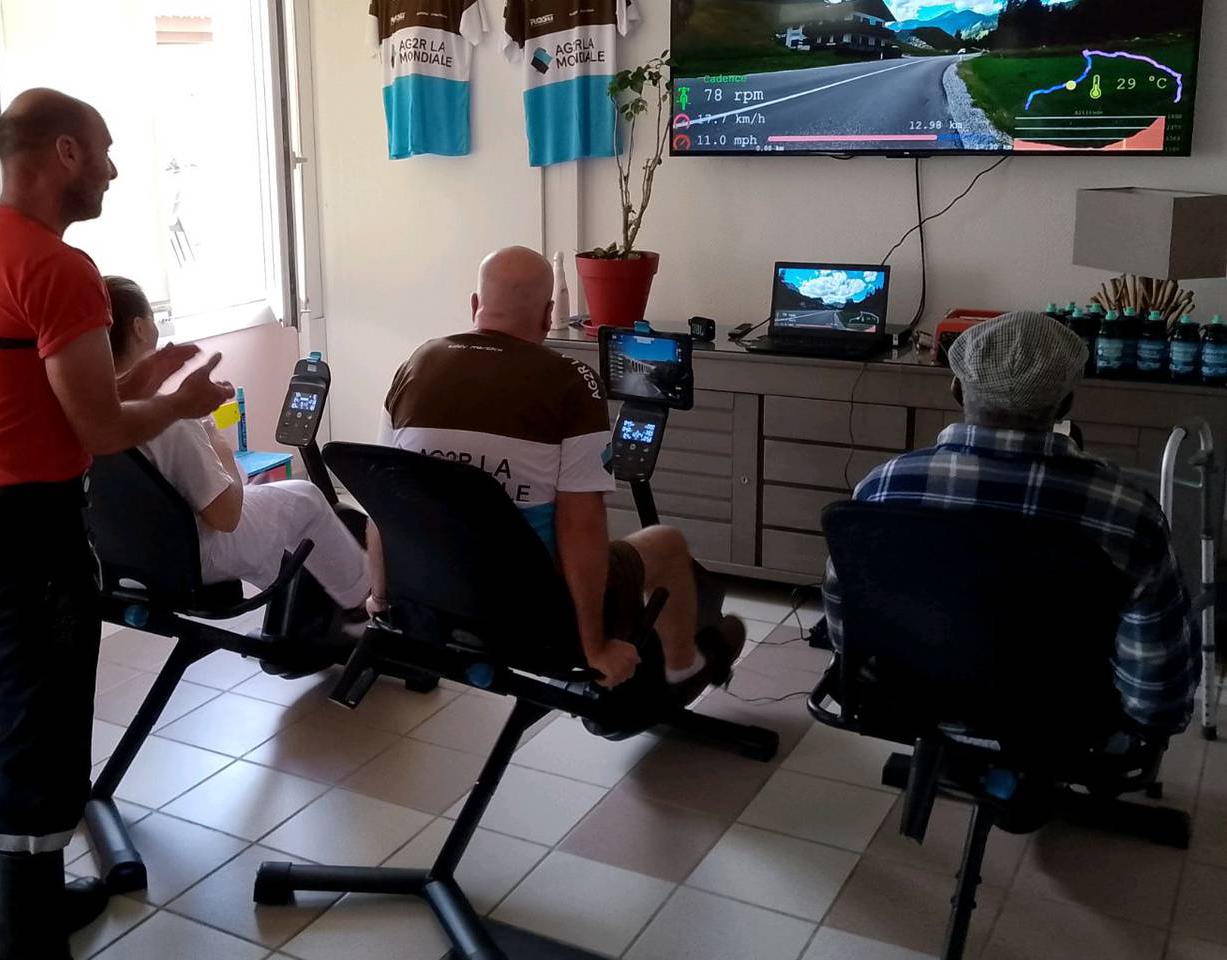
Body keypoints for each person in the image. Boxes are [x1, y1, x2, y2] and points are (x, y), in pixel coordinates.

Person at [0, 88, 232, 960]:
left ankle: (42, 902)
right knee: (39, 750)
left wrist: (147, 378)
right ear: (62, 153)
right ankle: (32, 947)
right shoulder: (60, 268)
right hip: (24, 540)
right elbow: (97, 432)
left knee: (8, 713)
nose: (114, 167)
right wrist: (180, 404)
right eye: (104, 150)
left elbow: (49, 405)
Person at [381, 245, 745, 699]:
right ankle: (683, 666)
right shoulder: (571, 381)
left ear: (475, 306)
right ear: (548, 313)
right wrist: (593, 648)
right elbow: (582, 523)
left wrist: (380, 600)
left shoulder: (415, 365)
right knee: (665, 543)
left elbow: (384, 496)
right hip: (529, 603)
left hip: (432, 592)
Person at [822, 310, 1199, 733]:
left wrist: (872, 677)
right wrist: (1147, 722)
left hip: (907, 694)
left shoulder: (883, 486)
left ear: (956, 390)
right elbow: (1157, 674)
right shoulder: (1127, 511)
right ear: (1066, 404)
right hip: (1065, 716)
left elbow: (845, 609)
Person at [105, 275, 375, 619]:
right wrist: (217, 443)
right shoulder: (169, 419)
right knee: (306, 498)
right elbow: (226, 517)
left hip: (126, 557)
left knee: (267, 496)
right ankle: (364, 603)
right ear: (140, 328)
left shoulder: (85, 417)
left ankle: (310, 607)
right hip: (196, 555)